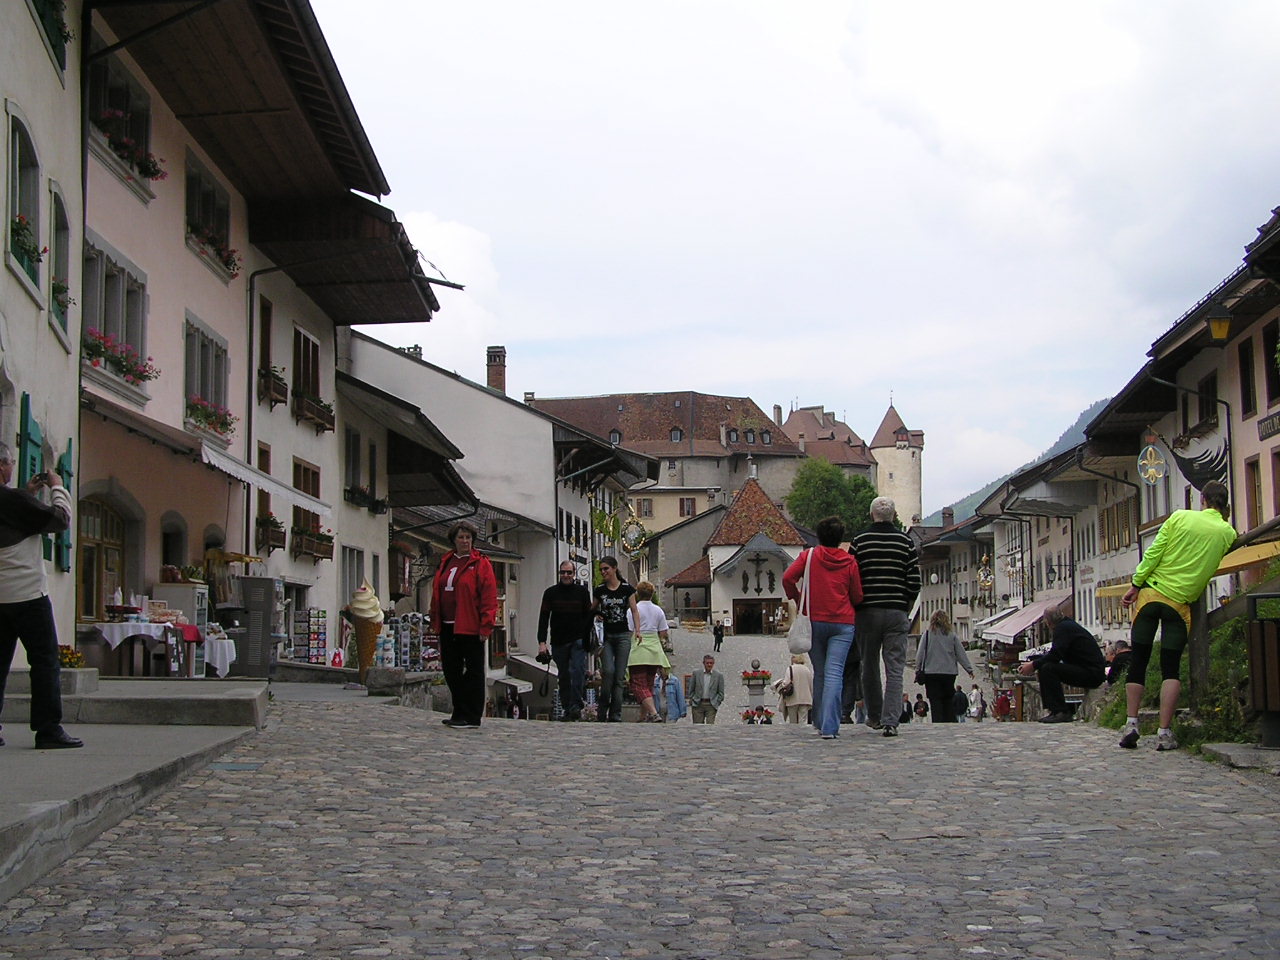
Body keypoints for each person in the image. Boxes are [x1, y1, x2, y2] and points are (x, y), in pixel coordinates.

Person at [1119, 480, 1236, 751]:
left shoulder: (1180, 517)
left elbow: (1154, 553)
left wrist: (1136, 585)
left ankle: (1131, 724)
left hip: (1151, 596)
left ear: (1202, 499)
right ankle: (1164, 733)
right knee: (1170, 668)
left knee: (1139, 661)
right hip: (1179, 604)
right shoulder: (1227, 533)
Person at [0, 449, 82, 749]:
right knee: (45, 661)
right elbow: (60, 519)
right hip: (27, 594)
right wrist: (58, 487)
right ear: (1, 466)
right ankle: (48, 730)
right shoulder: (14, 501)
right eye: (10, 462)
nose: (12, 467)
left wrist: (28, 494)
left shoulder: (16, 501)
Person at [783, 516, 864, 739]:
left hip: (814, 622)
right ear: (840, 538)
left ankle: (818, 721)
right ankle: (829, 726)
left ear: (818, 536)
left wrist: (798, 598)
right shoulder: (849, 562)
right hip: (842, 623)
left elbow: (788, 578)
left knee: (819, 671)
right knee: (835, 673)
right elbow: (857, 595)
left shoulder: (808, 557)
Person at [850, 497, 921, 738]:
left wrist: (857, 605)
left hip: (867, 612)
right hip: (896, 611)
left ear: (872, 515)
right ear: (894, 516)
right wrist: (905, 608)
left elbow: (851, 578)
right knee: (895, 668)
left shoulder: (859, 542)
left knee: (868, 666)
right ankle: (891, 721)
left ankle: (874, 716)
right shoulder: (905, 542)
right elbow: (914, 581)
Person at [431, 522, 498, 729]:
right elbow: (438, 592)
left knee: (474, 671)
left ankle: (472, 716)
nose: (465, 541)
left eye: (468, 537)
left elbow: (489, 597)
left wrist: (486, 626)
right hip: (447, 624)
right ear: (454, 540)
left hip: (470, 626)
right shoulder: (447, 561)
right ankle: (459, 711)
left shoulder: (480, 563)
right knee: (451, 670)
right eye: (461, 537)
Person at [1017, 605, 1106, 723]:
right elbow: (1057, 653)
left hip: (1091, 673)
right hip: (1092, 671)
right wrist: (1034, 662)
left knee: (1048, 669)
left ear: (1048, 622)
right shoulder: (1067, 625)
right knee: (1046, 667)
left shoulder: (1062, 629)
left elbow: (1055, 655)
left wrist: (1033, 665)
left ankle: (1060, 711)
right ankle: (1056, 711)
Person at [538, 561, 595, 721]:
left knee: (577, 671)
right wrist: (541, 642)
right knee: (564, 675)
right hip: (559, 640)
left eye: (569, 572)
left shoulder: (582, 592)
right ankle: (567, 708)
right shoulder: (550, 593)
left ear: (574, 574)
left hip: (578, 639)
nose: (566, 575)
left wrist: (587, 636)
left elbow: (588, 615)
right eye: (563, 572)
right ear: (559, 573)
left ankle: (575, 705)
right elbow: (543, 618)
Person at [592, 556, 641, 723]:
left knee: (620, 677)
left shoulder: (626, 589)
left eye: (606, 568)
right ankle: (602, 710)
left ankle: (615, 714)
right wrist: (596, 616)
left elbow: (634, 610)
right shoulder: (600, 590)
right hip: (606, 637)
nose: (603, 572)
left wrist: (638, 630)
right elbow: (592, 609)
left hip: (623, 635)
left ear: (614, 568)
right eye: (601, 569)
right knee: (608, 672)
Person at [915, 610, 975, 723]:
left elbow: (920, 654)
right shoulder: (951, 635)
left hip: (931, 673)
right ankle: (949, 722)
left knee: (935, 701)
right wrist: (969, 669)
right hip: (949, 673)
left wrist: (917, 669)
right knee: (948, 699)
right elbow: (960, 653)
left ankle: (938, 722)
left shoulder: (927, 635)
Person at [626, 581, 670, 722]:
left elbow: (629, 630)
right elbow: (663, 632)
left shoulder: (633, 610)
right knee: (648, 684)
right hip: (654, 651)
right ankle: (643, 715)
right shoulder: (658, 610)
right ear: (652, 594)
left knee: (638, 684)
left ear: (638, 594)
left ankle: (653, 713)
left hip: (638, 649)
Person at [775, 653, 814, 724]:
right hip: (805, 699)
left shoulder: (790, 668)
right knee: (803, 721)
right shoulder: (807, 670)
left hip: (792, 698)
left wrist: (780, 684)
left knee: (793, 721)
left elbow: (786, 683)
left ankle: (794, 731)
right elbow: (811, 686)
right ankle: (802, 731)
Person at [687, 654, 725, 724]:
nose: (709, 665)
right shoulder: (696, 674)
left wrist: (717, 702)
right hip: (698, 704)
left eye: (711, 663)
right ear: (703, 663)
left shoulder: (718, 676)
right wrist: (693, 699)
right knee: (698, 726)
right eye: (707, 663)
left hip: (711, 704)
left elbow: (721, 692)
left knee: (710, 726)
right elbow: (691, 688)